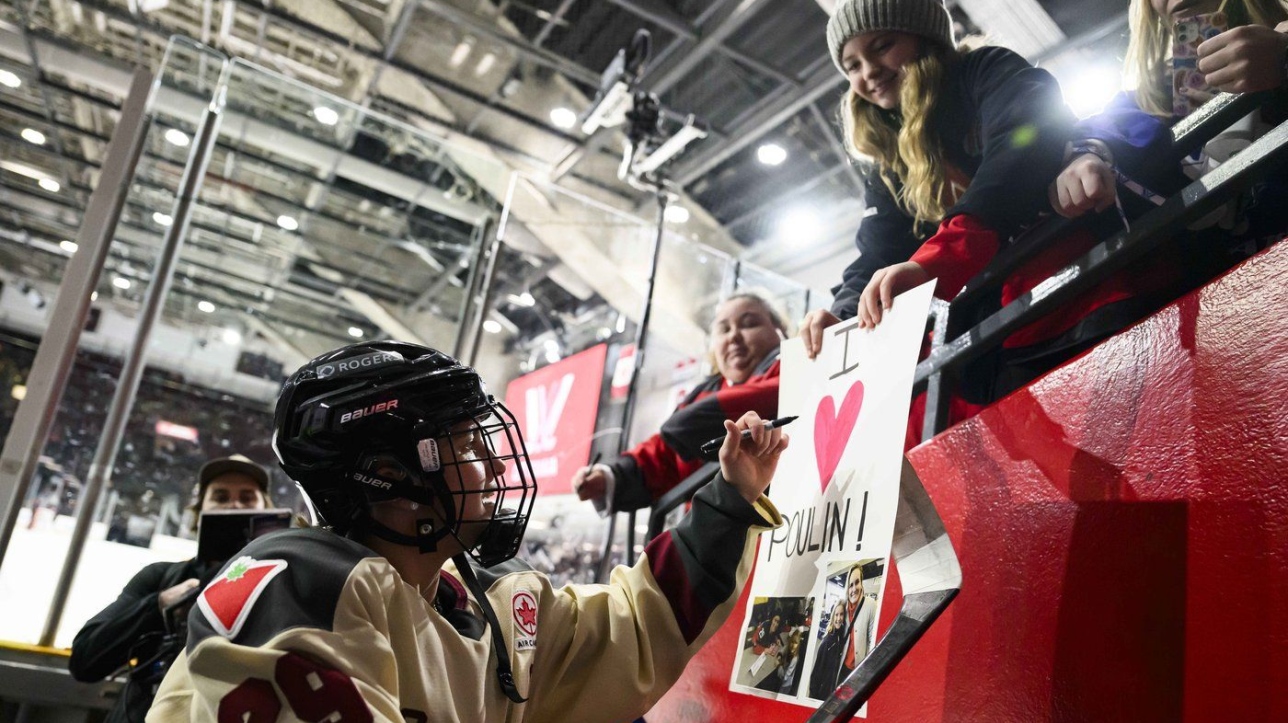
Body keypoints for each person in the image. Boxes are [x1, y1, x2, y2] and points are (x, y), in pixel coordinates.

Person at [147, 341, 787, 723]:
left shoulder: (476, 597)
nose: (495, 464)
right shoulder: (302, 585)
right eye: (467, 447)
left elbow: (632, 626)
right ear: (390, 479)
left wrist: (730, 498)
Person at [798, 0, 1075, 357]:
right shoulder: (888, 159)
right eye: (852, 66)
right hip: (994, 332)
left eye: (882, 46)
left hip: (1072, 281)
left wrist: (938, 261)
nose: (869, 71)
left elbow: (1024, 143)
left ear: (925, 37)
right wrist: (844, 314)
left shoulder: (984, 71)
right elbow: (879, 251)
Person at [69, 454, 272, 723]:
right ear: (198, 514)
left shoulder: (280, 587)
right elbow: (85, 660)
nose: (234, 504)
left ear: (268, 516)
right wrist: (159, 604)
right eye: (221, 497)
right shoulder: (160, 578)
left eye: (247, 498)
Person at [573, 292, 786, 512]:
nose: (733, 337)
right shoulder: (703, 395)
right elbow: (665, 456)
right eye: (724, 329)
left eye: (749, 324)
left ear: (780, 331)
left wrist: (690, 422)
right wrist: (609, 477)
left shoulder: (791, 369)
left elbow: (682, 429)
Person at [808, 564, 876, 701]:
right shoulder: (844, 608)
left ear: (862, 583)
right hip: (841, 670)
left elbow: (872, 641)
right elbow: (838, 629)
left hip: (857, 670)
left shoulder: (870, 605)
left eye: (857, 583)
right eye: (851, 585)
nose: (854, 588)